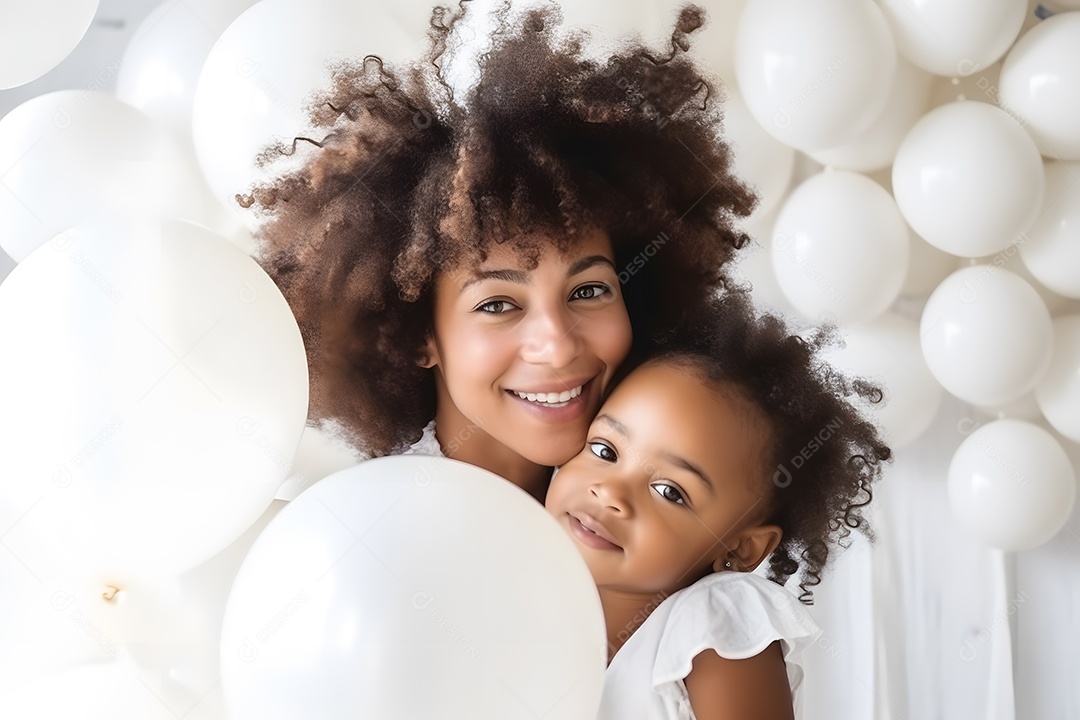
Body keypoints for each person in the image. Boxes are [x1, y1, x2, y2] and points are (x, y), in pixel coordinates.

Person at [245, 2, 756, 500]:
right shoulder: (379, 528)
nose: (557, 346)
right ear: (422, 336)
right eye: (497, 304)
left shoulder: (664, 527)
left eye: (589, 290)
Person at [545, 291, 892, 719]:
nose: (611, 494)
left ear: (741, 548)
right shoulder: (527, 604)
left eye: (671, 492)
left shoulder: (713, 630)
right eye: (604, 450)